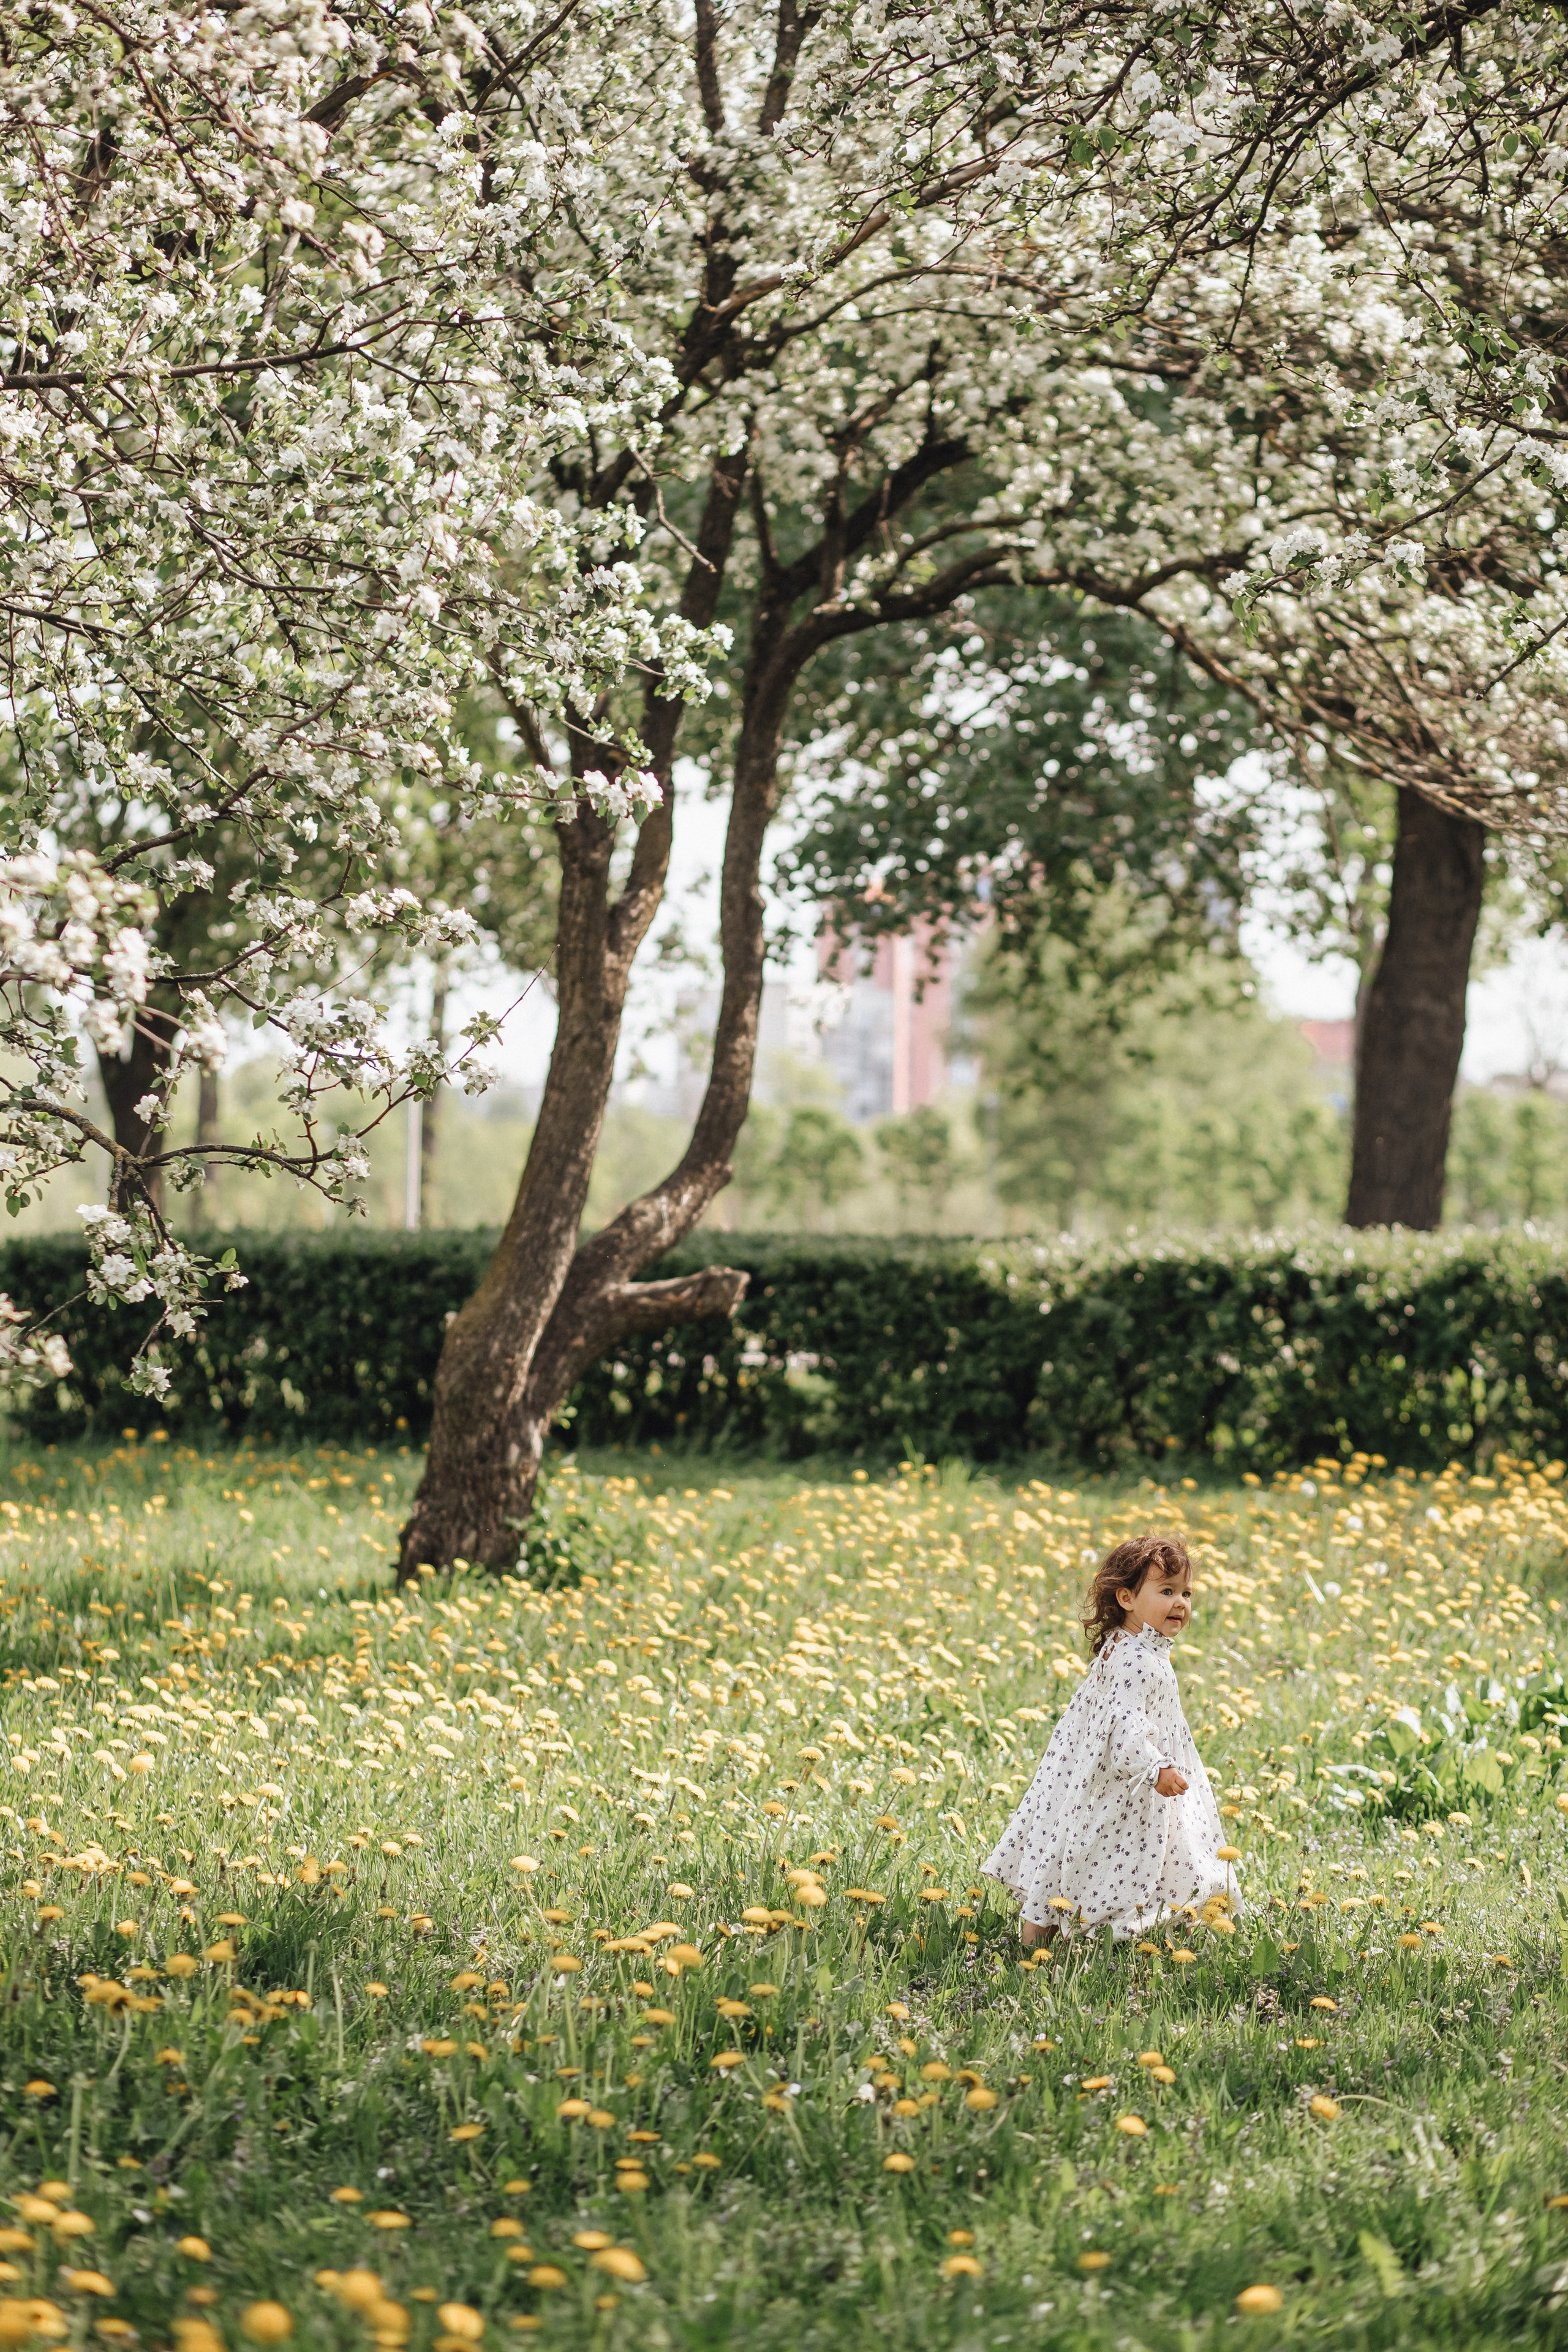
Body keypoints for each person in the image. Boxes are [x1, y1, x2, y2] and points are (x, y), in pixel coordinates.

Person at [982, 1532, 1237, 1947]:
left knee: (1075, 1846)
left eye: (1187, 1593)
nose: (1181, 1603)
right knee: (1103, 1851)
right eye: (1167, 1590)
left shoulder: (1128, 1645)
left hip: (1093, 1778)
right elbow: (1125, 1727)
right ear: (1126, 1599)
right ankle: (1068, 1938)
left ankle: (1043, 1938)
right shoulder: (1138, 1659)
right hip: (1126, 1780)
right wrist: (1157, 1767)